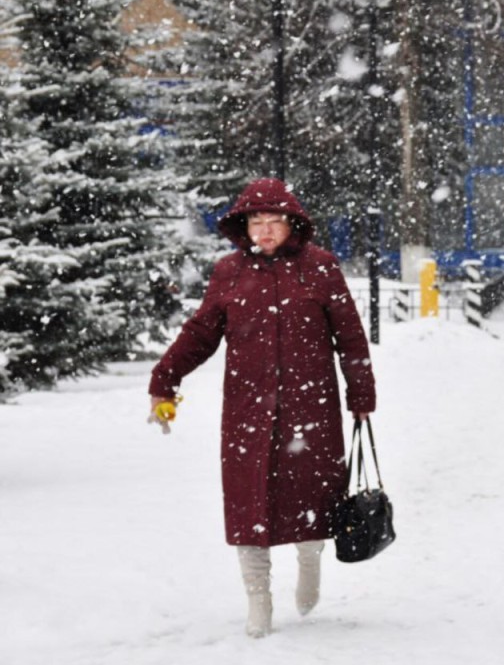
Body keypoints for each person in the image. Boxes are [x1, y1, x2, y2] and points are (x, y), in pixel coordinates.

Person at [148, 178, 376, 638]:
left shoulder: (321, 268)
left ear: (293, 224)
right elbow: (200, 334)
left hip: (309, 405)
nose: (266, 230)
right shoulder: (229, 272)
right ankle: (259, 599)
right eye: (257, 221)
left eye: (275, 221)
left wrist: (361, 395)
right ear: (244, 226)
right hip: (248, 410)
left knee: (312, 496)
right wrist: (164, 380)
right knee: (248, 503)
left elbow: (349, 337)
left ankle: (310, 563)